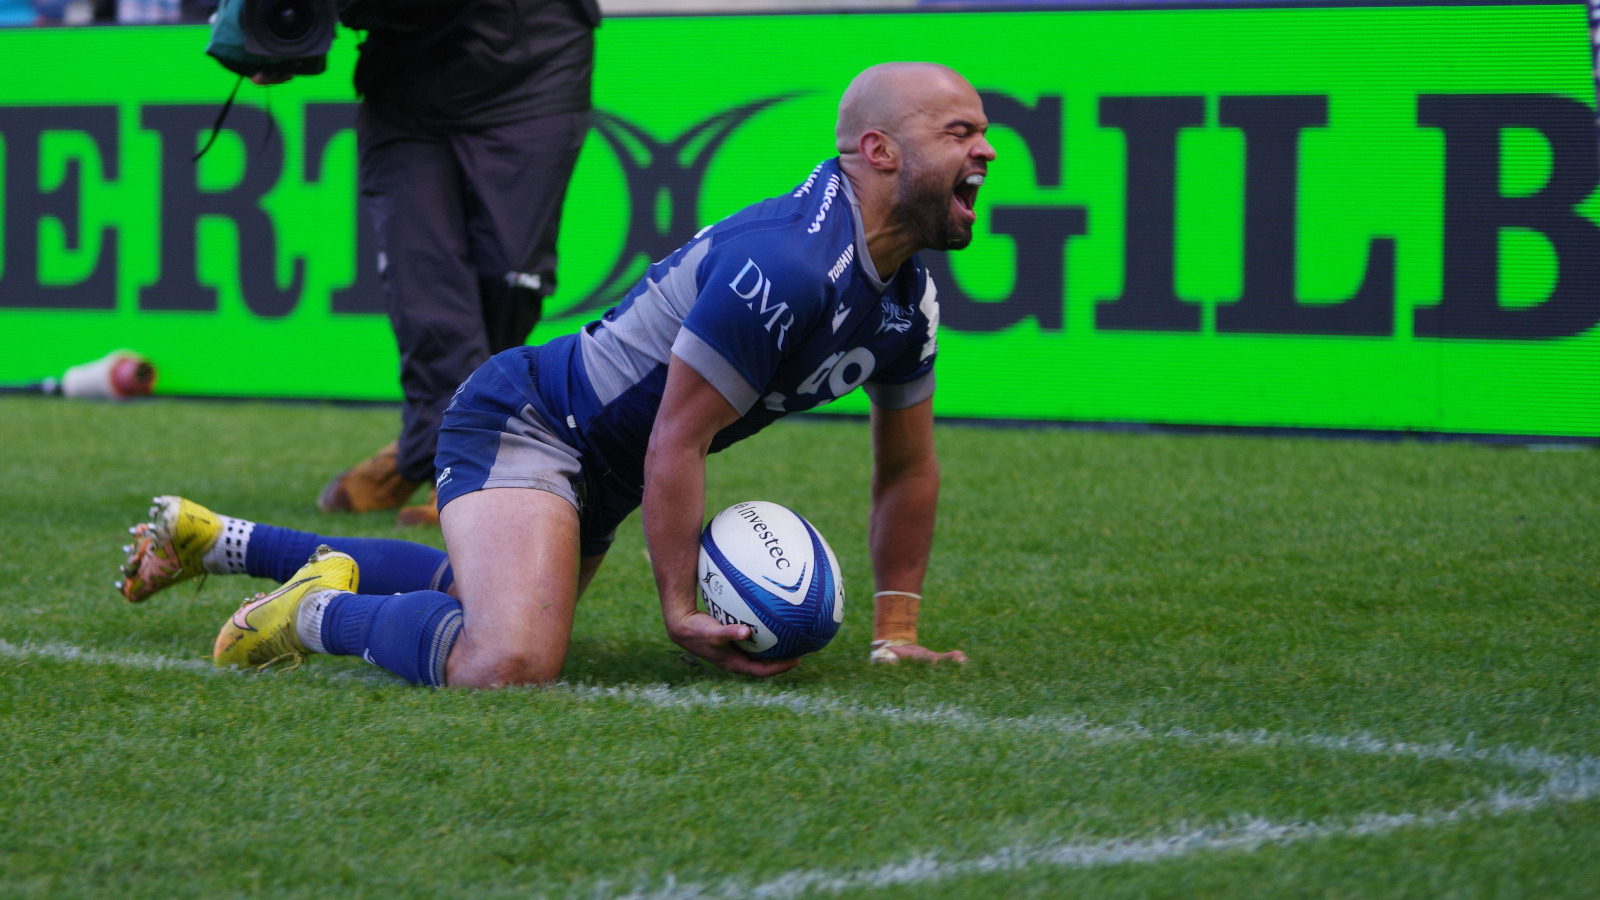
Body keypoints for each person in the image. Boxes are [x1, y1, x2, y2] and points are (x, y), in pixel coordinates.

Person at [117, 61, 990, 688]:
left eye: (983, 133)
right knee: (508, 660)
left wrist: (897, 632)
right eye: (961, 132)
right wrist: (679, 607)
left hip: (598, 468)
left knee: (467, 598)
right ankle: (308, 615)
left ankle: (219, 538)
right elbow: (677, 439)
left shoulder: (906, 305)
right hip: (534, 421)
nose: (986, 151)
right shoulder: (789, 265)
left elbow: (908, 468)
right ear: (877, 150)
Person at [300, 0, 600, 527]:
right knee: (425, 283)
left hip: (534, 60)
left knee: (509, 278)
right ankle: (464, 464)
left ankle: (424, 448)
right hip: (405, 80)